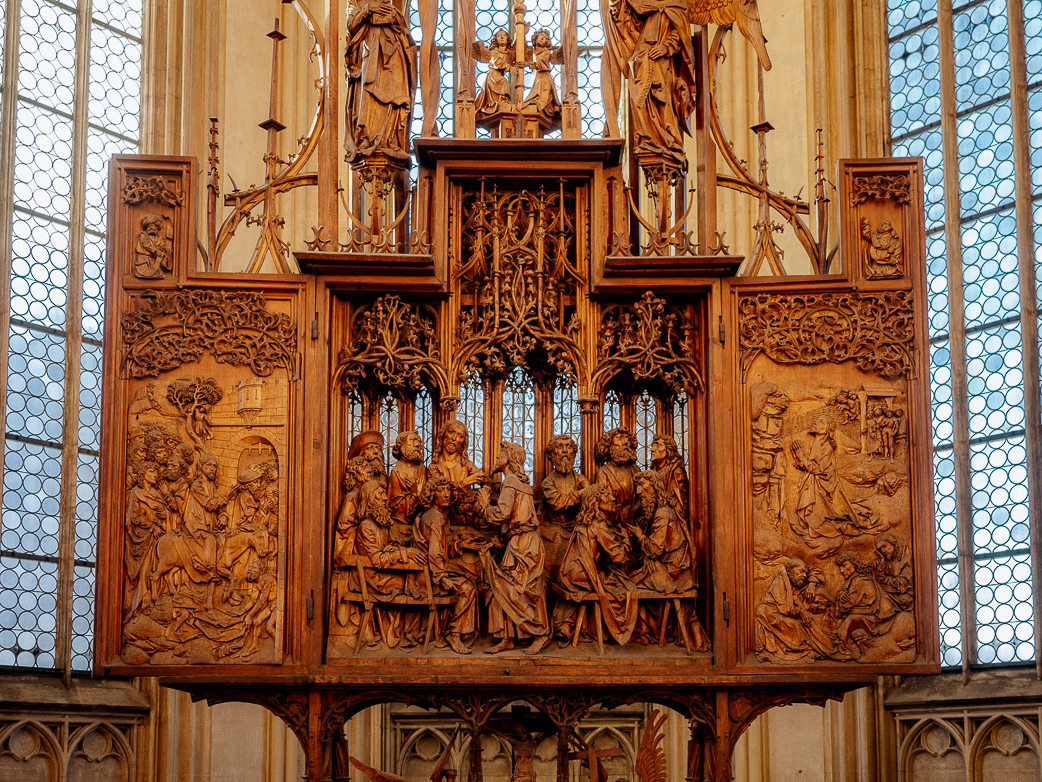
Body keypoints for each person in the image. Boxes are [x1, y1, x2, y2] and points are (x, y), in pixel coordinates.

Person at [477, 442, 550, 655]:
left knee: (516, 593)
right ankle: (507, 637)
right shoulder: (517, 482)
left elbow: (502, 514)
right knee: (501, 589)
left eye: (501, 453)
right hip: (522, 542)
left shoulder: (510, 481)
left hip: (523, 544)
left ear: (509, 458)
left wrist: (483, 505)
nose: (497, 456)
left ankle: (540, 634)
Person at [552, 483, 635, 646]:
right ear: (596, 501)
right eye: (606, 495)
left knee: (612, 576)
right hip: (583, 576)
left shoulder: (584, 522)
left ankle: (568, 625)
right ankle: (614, 631)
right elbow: (618, 556)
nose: (612, 498)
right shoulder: (598, 524)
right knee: (626, 587)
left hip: (571, 574)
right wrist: (626, 540)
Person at [344, 0, 416, 162]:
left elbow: (404, 31)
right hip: (370, 54)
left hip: (393, 54)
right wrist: (368, 10)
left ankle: (389, 139)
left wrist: (395, 17)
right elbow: (351, 25)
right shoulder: (356, 2)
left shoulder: (389, 4)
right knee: (369, 96)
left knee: (393, 97)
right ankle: (367, 139)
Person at [414, 476, 477, 654]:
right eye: (440, 491)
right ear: (431, 495)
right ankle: (453, 633)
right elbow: (434, 553)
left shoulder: (429, 515)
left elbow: (435, 547)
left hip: (426, 573)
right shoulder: (437, 517)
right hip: (429, 579)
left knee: (467, 575)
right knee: (469, 588)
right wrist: (442, 578)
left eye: (448, 490)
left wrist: (456, 546)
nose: (446, 494)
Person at [754, 558, 839, 662]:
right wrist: (801, 612)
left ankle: (826, 646)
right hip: (768, 614)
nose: (804, 575)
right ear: (791, 570)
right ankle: (816, 650)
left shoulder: (795, 577)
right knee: (798, 627)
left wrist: (812, 584)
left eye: (805, 572)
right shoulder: (780, 582)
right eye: (801, 572)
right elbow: (785, 609)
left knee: (807, 623)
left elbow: (814, 569)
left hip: (783, 612)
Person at [594, 427, 639, 529]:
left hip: (635, 523)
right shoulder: (603, 472)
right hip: (612, 525)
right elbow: (602, 503)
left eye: (627, 439)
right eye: (619, 438)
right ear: (608, 447)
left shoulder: (635, 470)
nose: (625, 442)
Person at [540, 434, 589, 529]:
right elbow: (558, 503)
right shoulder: (547, 483)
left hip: (578, 526)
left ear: (574, 454)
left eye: (569, 447)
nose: (565, 451)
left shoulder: (580, 479)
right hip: (554, 528)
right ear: (551, 454)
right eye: (559, 447)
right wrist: (583, 492)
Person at [518, 29, 561, 123]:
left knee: (541, 88)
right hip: (537, 77)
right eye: (541, 37)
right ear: (535, 38)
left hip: (544, 77)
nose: (542, 39)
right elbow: (522, 48)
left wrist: (527, 64)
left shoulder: (546, 52)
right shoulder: (531, 51)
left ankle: (546, 106)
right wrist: (521, 33)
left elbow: (541, 63)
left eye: (545, 38)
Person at [387, 430, 428, 526]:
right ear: (402, 446)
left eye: (419, 442)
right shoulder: (396, 471)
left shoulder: (423, 469)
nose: (418, 445)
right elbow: (393, 506)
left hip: (422, 520)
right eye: (413, 440)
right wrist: (415, 494)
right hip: (402, 520)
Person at [473, 29, 513, 115]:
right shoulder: (494, 52)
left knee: (503, 80)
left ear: (508, 39)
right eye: (499, 36)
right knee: (503, 81)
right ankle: (498, 102)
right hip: (493, 77)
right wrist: (508, 67)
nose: (502, 37)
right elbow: (496, 62)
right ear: (496, 39)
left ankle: (502, 101)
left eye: (504, 35)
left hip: (500, 75)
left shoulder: (508, 53)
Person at [650, 433, 687, 516]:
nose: (652, 449)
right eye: (653, 445)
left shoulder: (676, 472)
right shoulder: (653, 470)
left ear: (668, 450)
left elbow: (679, 503)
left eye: (658, 445)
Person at [873, 534, 913, 611]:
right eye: (880, 549)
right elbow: (880, 579)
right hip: (887, 591)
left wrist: (887, 580)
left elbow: (904, 581)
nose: (882, 550)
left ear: (892, 543)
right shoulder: (886, 560)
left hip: (901, 595)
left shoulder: (904, 556)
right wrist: (881, 563)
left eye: (884, 546)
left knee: (904, 599)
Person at [134, 213, 169, 279]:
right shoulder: (143, 235)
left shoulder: (159, 237)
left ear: (156, 228)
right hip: (144, 260)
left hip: (154, 260)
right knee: (145, 273)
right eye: (149, 226)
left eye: (152, 226)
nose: (151, 227)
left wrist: (161, 252)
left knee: (159, 274)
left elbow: (162, 246)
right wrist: (155, 250)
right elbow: (146, 244)